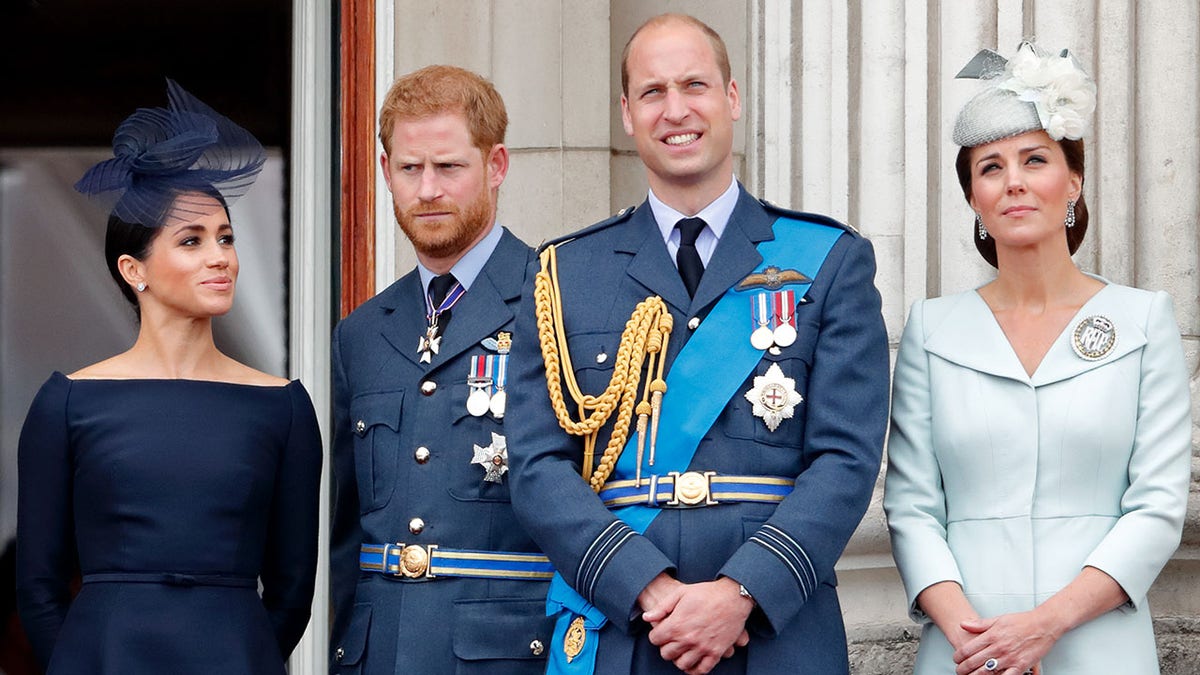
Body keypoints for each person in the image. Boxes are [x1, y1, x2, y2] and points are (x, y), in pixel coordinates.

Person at [505, 14, 890, 675]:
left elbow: (846, 459)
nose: (675, 110)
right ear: (627, 113)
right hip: (627, 628)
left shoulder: (829, 260)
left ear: (732, 98)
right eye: (652, 92)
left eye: (695, 85)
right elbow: (539, 467)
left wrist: (741, 593)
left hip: (774, 632)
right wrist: (646, 587)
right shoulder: (565, 272)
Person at [884, 43, 1192, 675]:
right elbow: (912, 505)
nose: (1014, 180)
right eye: (990, 167)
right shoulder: (932, 329)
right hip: (965, 649)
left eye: (1034, 159)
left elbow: (1158, 504)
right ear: (973, 195)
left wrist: (1044, 626)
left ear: (1072, 179)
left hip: (1100, 643)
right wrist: (979, 640)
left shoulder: (1141, 320)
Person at [15, 80, 323, 674]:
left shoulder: (283, 406)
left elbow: (292, 592)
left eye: (227, 238)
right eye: (192, 240)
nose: (221, 258)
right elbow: (37, 587)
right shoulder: (68, 403)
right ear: (135, 270)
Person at [329, 65, 553, 674]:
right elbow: (343, 528)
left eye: (449, 167)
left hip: (507, 655)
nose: (427, 189)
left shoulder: (557, 303)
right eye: (409, 168)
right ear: (385, 173)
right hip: (376, 654)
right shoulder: (362, 332)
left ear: (496, 165)